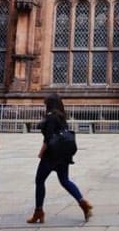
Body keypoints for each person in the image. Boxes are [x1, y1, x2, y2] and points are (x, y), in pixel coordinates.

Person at [26, 94, 92, 224]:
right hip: (63, 154)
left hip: (51, 155)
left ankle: (38, 212)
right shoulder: (62, 116)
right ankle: (82, 202)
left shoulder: (51, 117)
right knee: (65, 180)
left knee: (39, 181)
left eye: (46, 104)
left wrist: (41, 153)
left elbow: (48, 138)